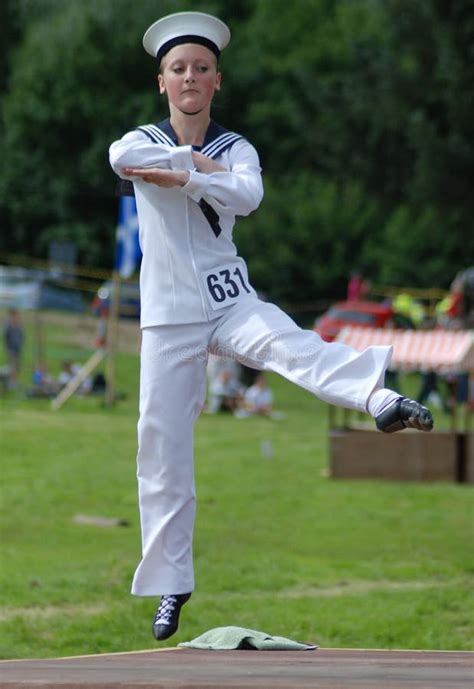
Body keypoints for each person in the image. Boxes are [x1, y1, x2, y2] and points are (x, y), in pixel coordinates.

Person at [109, 11, 433, 642]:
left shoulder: (238, 149)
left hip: (229, 298)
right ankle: (172, 582)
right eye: (179, 69)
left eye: (201, 68)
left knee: (291, 346)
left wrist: (192, 175)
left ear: (217, 81)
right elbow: (123, 158)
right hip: (168, 318)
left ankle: (382, 397)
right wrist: (190, 165)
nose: (190, 77)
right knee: (159, 444)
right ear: (162, 82)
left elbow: (247, 194)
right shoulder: (140, 136)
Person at [3, 309, 24, 389]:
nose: (16, 317)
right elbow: (5, 335)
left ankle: (14, 381)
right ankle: (11, 382)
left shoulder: (19, 325)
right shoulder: (8, 325)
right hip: (11, 349)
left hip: (18, 349)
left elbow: (22, 335)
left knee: (17, 366)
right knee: (12, 366)